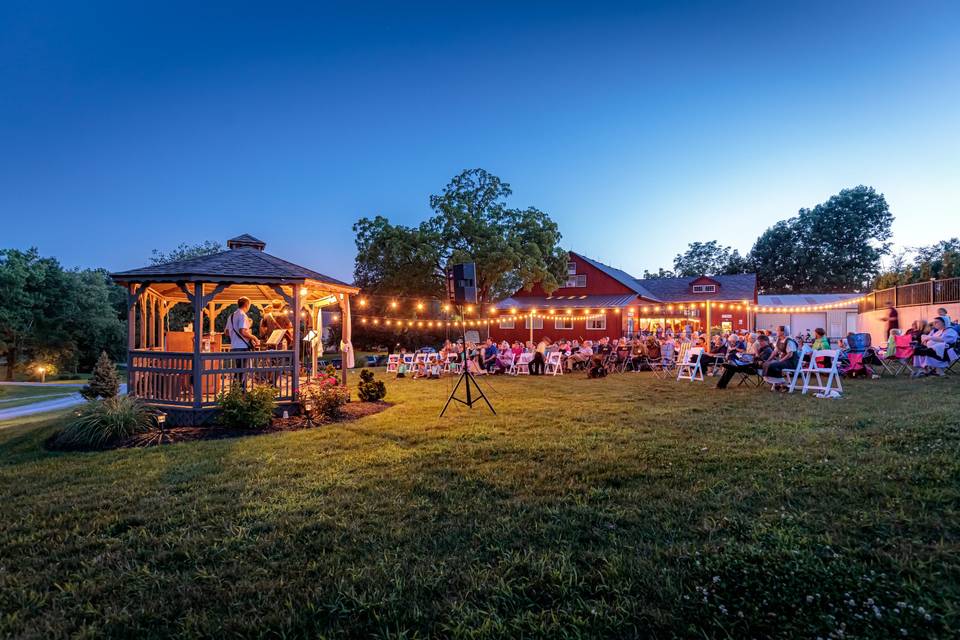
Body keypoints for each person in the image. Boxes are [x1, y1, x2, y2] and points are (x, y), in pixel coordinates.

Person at [225, 297, 260, 390]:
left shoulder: (231, 316)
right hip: (242, 347)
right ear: (246, 305)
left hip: (234, 347)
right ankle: (241, 393)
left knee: (238, 371)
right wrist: (254, 337)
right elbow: (242, 331)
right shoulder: (243, 315)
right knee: (243, 371)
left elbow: (226, 332)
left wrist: (234, 337)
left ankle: (235, 391)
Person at [763, 326, 799, 390]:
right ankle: (779, 383)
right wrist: (768, 360)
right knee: (766, 364)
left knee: (772, 365)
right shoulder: (779, 340)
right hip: (784, 361)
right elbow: (774, 352)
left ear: (783, 332)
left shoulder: (789, 341)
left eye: (778, 330)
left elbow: (790, 355)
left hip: (791, 362)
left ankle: (782, 382)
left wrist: (780, 361)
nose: (776, 332)